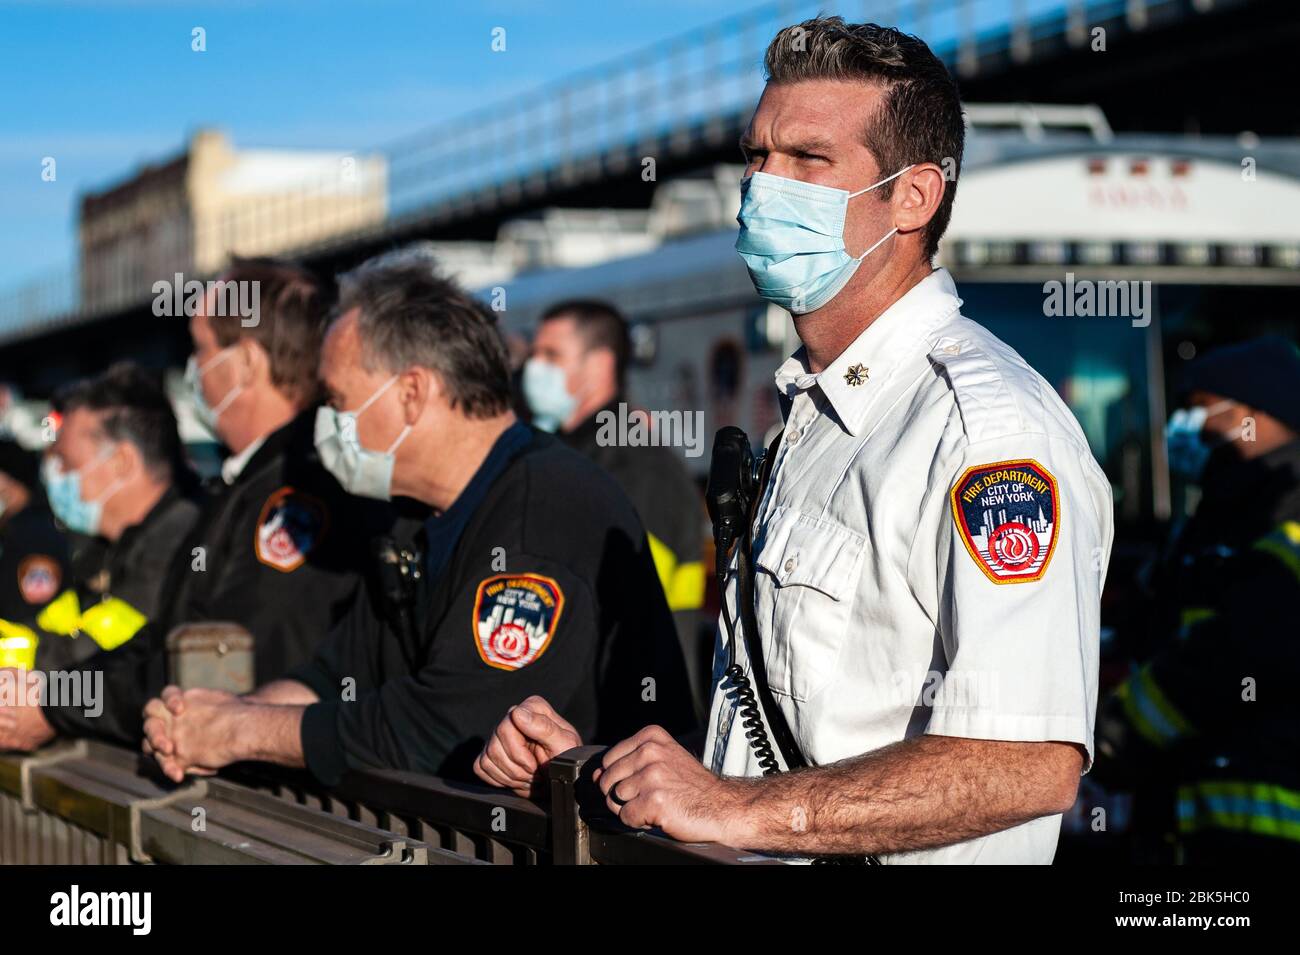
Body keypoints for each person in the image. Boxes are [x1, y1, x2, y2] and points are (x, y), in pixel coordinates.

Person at [475, 16, 1114, 864]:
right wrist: (592, 770)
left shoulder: (985, 432)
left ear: (913, 197)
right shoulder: (818, 411)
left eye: (808, 160)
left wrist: (734, 806)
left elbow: (1025, 765)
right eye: (757, 155)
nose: (762, 185)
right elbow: (788, 728)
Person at [141, 259, 695, 787]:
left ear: (411, 393)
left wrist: (240, 731)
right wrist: (210, 717)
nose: (325, 426)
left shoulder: (544, 510)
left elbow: (443, 726)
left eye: (337, 401)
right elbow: (336, 675)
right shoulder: (413, 516)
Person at [0, 257, 382, 752]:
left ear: (244, 363)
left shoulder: (297, 490)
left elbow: (224, 662)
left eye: (200, 350)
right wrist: (57, 695)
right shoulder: (248, 484)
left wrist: (57, 704)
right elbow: (167, 639)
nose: (193, 370)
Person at [1093, 337, 1300, 862]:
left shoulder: (1285, 504)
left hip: (1268, 822)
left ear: (1252, 411)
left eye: (1196, 408)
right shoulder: (1222, 509)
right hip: (1193, 814)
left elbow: (1236, 654)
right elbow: (1152, 613)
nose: (1185, 426)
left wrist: (1118, 734)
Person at [523, 299, 709, 710]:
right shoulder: (574, 450)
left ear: (600, 365)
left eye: (551, 355)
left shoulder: (635, 462)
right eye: (534, 354)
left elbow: (618, 601)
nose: (534, 368)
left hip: (631, 708)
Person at [31, 362, 201, 671]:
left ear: (122, 462)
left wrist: (30, 668)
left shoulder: (179, 540)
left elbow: (105, 651)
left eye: (66, 463)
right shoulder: (102, 549)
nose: (58, 478)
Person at [0, 439, 70, 669]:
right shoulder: (15, 529)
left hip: (29, 673)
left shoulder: (33, 537)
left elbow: (26, 605)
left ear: (10, 481)